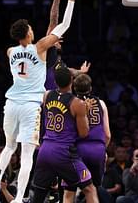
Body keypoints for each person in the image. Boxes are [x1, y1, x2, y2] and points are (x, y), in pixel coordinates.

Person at [0, 0, 83, 202]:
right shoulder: (39, 48)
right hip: (30, 105)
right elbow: (63, 25)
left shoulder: (10, 51)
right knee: (27, 154)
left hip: (11, 103)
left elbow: (46, 33)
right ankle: (19, 198)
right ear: (28, 33)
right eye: (30, 28)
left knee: (9, 147)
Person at [32, 65, 98, 203]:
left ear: (55, 82)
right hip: (64, 153)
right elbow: (84, 133)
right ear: (72, 81)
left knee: (38, 196)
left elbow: (63, 75)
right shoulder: (77, 103)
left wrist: (76, 73)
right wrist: (86, 113)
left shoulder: (46, 95)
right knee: (89, 188)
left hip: (45, 150)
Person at [63, 73, 112, 203]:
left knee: (69, 191)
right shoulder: (101, 104)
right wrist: (102, 150)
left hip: (77, 151)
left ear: (74, 88)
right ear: (90, 88)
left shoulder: (70, 104)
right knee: (92, 189)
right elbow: (107, 135)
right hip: (97, 150)